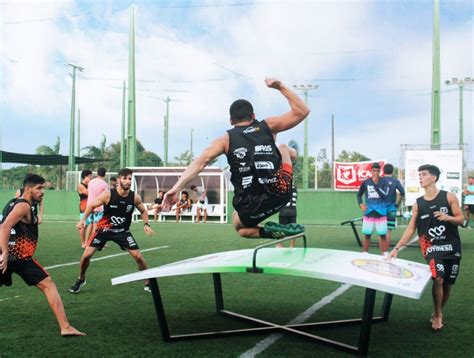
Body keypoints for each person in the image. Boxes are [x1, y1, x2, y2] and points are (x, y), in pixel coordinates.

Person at [164, 77, 309, 239]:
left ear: (231, 121)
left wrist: (175, 188)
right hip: (281, 194)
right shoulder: (268, 126)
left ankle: (270, 232)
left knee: (239, 226)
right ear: (253, 116)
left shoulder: (226, 139)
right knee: (283, 148)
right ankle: (290, 153)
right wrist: (280, 86)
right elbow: (302, 111)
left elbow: (199, 162)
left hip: (250, 204)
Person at [0, 174, 85, 336]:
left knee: (48, 284)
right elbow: (5, 227)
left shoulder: (14, 203)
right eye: (39, 188)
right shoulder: (23, 206)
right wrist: (5, 252)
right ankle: (65, 327)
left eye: (43, 188)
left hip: (9, 257)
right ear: (28, 189)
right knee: (49, 285)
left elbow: (2, 225)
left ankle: (66, 327)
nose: (43, 191)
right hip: (19, 258)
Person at [387, 164, 463, 331]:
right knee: (439, 278)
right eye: (419, 175)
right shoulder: (418, 204)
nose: (420, 177)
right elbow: (410, 228)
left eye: (423, 174)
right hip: (431, 247)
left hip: (452, 246)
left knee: (448, 283)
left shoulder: (449, 197)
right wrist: (397, 248)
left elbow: (461, 219)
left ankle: (438, 311)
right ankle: (437, 314)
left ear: (433, 178)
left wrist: (448, 217)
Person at [70, 168, 154, 294]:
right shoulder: (108, 194)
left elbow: (143, 210)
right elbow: (92, 205)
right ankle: (81, 279)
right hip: (104, 230)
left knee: (138, 256)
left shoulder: (133, 197)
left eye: (130, 179)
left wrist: (146, 224)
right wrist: (83, 220)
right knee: (86, 256)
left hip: (122, 231)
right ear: (119, 180)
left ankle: (148, 282)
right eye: (125, 178)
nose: (128, 181)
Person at [356, 162, 389, 255]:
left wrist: (377, 186)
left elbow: (385, 195)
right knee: (367, 234)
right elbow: (359, 195)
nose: (376, 173)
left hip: (381, 211)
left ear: (380, 171)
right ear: (371, 171)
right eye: (374, 171)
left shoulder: (384, 182)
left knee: (382, 235)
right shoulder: (366, 182)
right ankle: (365, 253)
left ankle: (385, 254)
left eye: (378, 171)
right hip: (369, 211)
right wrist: (361, 204)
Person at [383, 163, 405, 247]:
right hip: (391, 208)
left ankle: (382, 248)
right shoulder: (395, 181)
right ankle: (386, 248)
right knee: (389, 230)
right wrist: (397, 203)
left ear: (383, 171)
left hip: (380, 208)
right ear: (392, 171)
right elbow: (402, 193)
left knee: (381, 229)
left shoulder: (380, 181)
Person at [86, 167, 109, 235]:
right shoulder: (104, 184)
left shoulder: (90, 182)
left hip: (89, 206)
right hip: (98, 207)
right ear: (104, 174)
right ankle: (93, 242)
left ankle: (87, 242)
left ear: (97, 173)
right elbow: (106, 197)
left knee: (90, 224)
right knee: (96, 226)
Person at [277, 184, 298, 248]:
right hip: (293, 211)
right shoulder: (295, 188)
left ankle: (280, 244)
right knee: (293, 229)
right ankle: (292, 245)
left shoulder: (283, 187)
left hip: (284, 211)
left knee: (281, 229)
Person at [77, 169, 93, 248]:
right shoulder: (80, 185)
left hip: (90, 207)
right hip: (84, 207)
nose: (91, 178)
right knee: (82, 225)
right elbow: (87, 192)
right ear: (85, 176)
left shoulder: (89, 184)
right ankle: (83, 243)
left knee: (90, 224)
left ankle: (87, 242)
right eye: (90, 176)